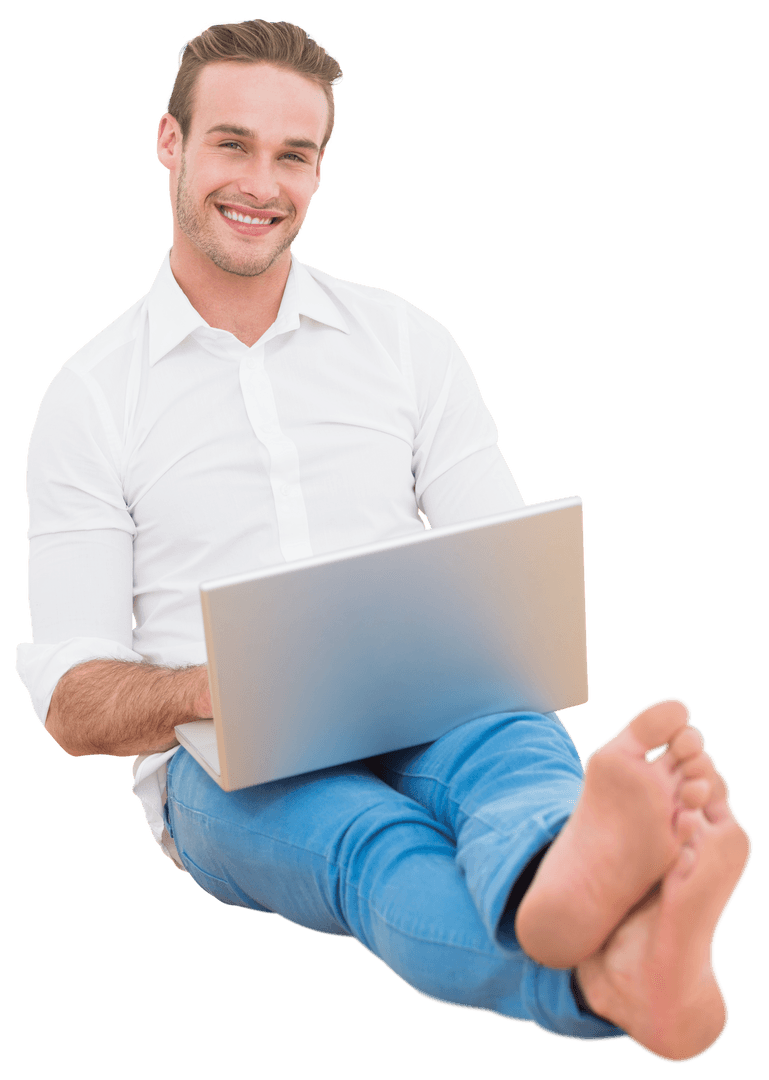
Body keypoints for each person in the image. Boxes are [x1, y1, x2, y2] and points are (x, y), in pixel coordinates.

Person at [16, 18, 750, 1063]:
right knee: (371, 846)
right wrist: (212, 687)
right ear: (169, 142)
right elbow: (72, 700)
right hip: (222, 761)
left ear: (320, 169)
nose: (261, 183)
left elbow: (507, 573)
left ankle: (573, 881)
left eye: (294, 155)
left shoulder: (405, 343)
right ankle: (608, 957)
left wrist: (491, 644)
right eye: (232, 143)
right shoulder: (90, 398)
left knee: (517, 763)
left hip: (435, 696)